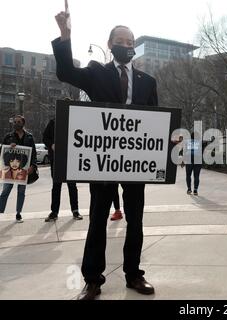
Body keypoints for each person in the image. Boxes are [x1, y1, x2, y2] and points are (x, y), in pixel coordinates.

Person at [52, 9, 158, 300]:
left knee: (135, 220)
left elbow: (156, 122)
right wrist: (65, 35)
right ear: (110, 45)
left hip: (135, 163)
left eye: (131, 40)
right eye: (120, 40)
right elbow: (65, 73)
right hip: (102, 162)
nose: (126, 45)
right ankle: (93, 279)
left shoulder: (148, 81)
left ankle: (134, 274)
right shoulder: (97, 71)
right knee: (98, 219)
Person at [43, 117, 83, 222]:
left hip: (71, 158)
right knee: (56, 186)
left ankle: (75, 210)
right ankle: (54, 212)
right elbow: (45, 137)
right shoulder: (53, 122)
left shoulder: (75, 121)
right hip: (56, 158)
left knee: (72, 186)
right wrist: (51, 145)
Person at [0, 115, 37, 223]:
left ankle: (18, 214)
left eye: (18, 121)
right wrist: (8, 147)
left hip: (23, 169)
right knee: (5, 190)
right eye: (14, 122)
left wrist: (33, 166)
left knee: (21, 191)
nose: (16, 123)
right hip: (10, 169)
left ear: (23, 123)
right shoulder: (8, 136)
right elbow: (2, 152)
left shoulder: (29, 137)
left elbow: (33, 153)